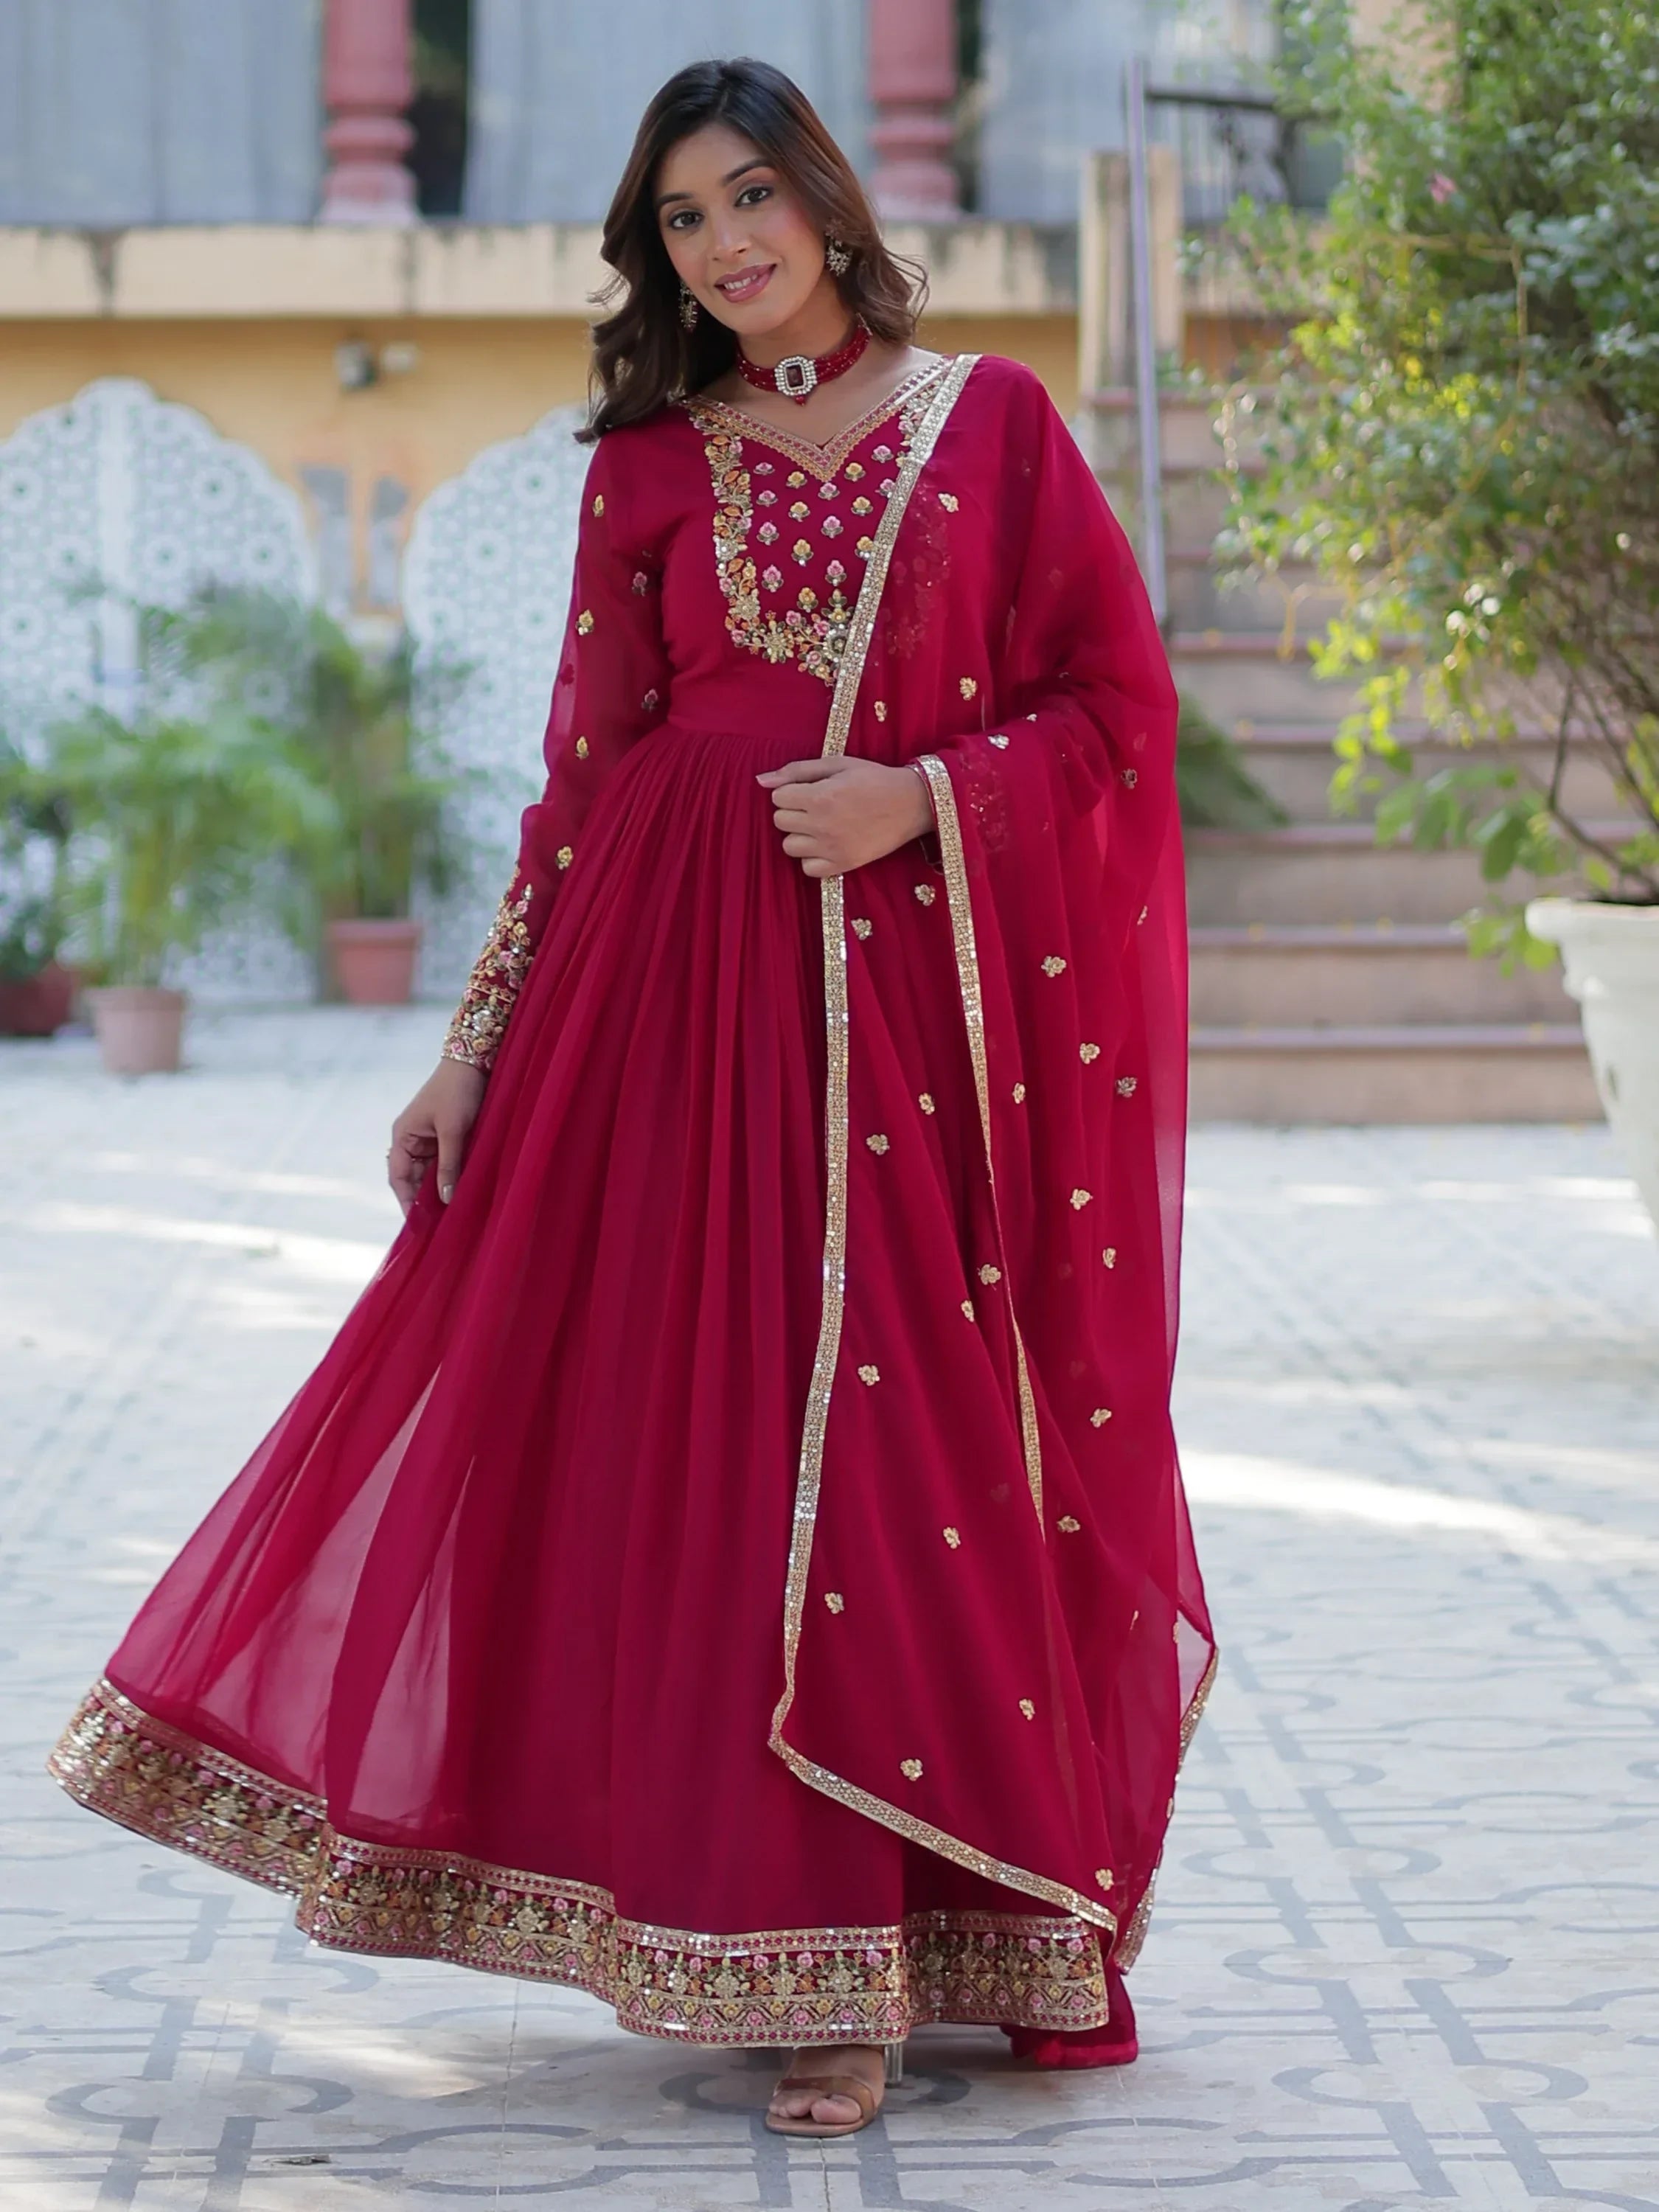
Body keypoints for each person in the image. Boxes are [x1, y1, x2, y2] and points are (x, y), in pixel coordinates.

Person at [49, 57, 1214, 2140]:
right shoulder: (651, 467)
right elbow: (583, 785)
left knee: (892, 1439)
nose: (724, 244)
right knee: (686, 1438)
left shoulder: (996, 432)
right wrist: (473, 1040)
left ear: (828, 203)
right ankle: (776, 1956)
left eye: (749, 194)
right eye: (682, 219)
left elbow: (1112, 719)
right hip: (657, 1004)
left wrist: (920, 800)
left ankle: (896, 1923)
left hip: (892, 1024)